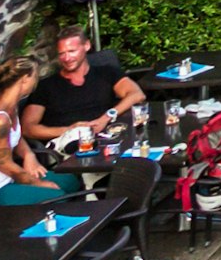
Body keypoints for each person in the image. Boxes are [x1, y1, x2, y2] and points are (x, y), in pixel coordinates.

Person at [0, 66, 70, 214]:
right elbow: (5, 165)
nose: (36, 82)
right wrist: (38, 183)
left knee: (69, 179)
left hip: (7, 181)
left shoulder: (10, 108)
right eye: (35, 77)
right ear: (24, 79)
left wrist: (29, 155)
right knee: (56, 197)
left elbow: (15, 136)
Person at [21, 29, 145, 162]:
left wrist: (106, 117)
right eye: (62, 53)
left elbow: (137, 95)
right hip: (69, 148)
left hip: (108, 139)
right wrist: (68, 129)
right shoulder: (46, 86)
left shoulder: (106, 73)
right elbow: (28, 128)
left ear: (86, 46)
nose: (67, 58)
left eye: (72, 51)